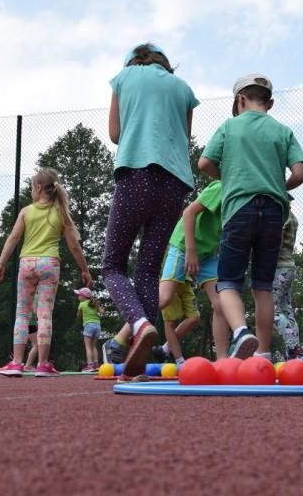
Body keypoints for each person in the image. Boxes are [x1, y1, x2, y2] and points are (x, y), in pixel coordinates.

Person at [102, 43, 199, 380]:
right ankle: (139, 361)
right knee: (147, 270)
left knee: (112, 265)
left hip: (136, 174)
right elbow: (183, 137)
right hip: (174, 182)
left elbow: (115, 135)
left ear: (131, 60)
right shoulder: (183, 88)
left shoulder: (124, 78)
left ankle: (140, 325)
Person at [199, 73, 303, 360]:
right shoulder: (283, 130)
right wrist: (275, 186)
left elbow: (204, 162)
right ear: (269, 102)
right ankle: (263, 353)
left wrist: (230, 179)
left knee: (228, 282)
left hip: (239, 210)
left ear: (239, 99)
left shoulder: (229, 126)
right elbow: (300, 174)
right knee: (262, 286)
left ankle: (240, 332)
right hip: (274, 213)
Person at [103, 180, 228, 363]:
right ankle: (116, 342)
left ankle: (223, 360)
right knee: (163, 298)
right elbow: (188, 213)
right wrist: (191, 250)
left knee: (221, 303)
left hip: (207, 253)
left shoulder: (242, 199)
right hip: (184, 245)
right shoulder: (220, 187)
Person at [0, 168, 93, 378]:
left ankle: (17, 363)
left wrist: (1, 264)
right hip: (50, 264)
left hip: (26, 263)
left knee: (22, 312)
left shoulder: (26, 212)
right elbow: (74, 245)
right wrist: (84, 270)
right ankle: (43, 365)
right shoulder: (60, 212)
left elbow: (12, 239)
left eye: (32, 188)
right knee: (44, 313)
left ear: (38, 188)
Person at [274, 208, 303, 361]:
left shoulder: (280, 213)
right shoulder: (291, 215)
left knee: (270, 310)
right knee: (286, 310)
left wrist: (268, 263)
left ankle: (294, 349)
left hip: (278, 267)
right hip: (289, 266)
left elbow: (277, 240)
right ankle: (296, 349)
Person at [76, 287, 105, 372]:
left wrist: (81, 313)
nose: (78, 297)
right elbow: (102, 312)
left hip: (88, 325)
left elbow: (78, 315)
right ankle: (96, 364)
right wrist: (102, 309)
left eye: (79, 295)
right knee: (93, 346)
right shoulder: (95, 303)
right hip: (97, 325)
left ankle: (90, 365)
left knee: (88, 347)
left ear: (83, 296)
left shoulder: (81, 304)